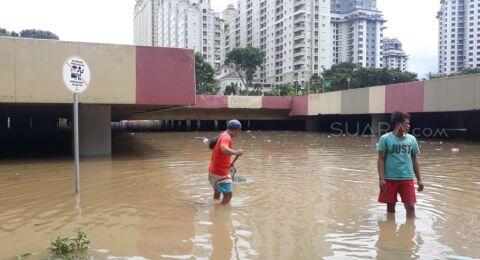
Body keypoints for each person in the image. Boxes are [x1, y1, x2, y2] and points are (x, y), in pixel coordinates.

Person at [377, 111, 424, 218]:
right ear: (398, 124)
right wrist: (381, 178)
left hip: (406, 178)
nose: (409, 126)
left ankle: (410, 230)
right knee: (390, 207)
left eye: (409, 123)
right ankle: (389, 230)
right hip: (389, 178)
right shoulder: (385, 139)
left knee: (411, 207)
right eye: (406, 123)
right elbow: (381, 159)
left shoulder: (412, 139)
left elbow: (415, 159)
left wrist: (419, 179)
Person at [208, 119, 244, 204]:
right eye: (238, 131)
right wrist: (236, 152)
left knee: (217, 193)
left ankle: (214, 208)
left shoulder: (222, 134)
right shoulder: (227, 137)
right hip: (221, 172)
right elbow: (223, 148)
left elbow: (211, 146)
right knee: (228, 195)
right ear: (237, 130)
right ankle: (221, 213)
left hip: (213, 170)